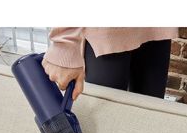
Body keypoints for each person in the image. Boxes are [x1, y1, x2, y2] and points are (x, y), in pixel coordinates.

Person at [42, 27, 178, 100]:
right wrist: (66, 43)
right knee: (107, 122)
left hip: (156, 31)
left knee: (149, 120)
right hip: (109, 36)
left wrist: (65, 42)